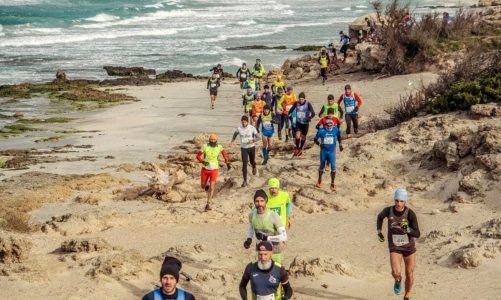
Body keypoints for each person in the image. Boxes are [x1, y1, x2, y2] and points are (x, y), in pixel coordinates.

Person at [377, 188, 421, 300]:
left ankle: (407, 294)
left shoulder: (410, 214)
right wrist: (379, 231)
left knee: (409, 273)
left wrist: (407, 229)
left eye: (401, 201)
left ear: (405, 201)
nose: (398, 203)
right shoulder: (388, 210)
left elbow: (417, 234)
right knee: (396, 272)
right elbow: (380, 217)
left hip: (408, 247)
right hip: (395, 246)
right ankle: (398, 280)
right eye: (396, 200)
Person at [243, 189, 287, 264]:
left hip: (274, 253)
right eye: (257, 201)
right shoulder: (252, 215)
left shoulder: (274, 216)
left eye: (262, 201)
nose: (259, 204)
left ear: (266, 201)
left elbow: (284, 237)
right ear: (254, 202)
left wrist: (267, 238)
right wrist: (249, 239)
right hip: (261, 254)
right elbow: (251, 228)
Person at [196, 134, 230, 211]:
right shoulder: (205, 146)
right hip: (205, 169)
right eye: (211, 140)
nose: (213, 141)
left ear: (216, 140)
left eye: (214, 140)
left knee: (212, 187)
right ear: (209, 140)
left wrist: (227, 162)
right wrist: (203, 162)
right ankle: (206, 185)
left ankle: (208, 203)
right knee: (203, 186)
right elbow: (198, 156)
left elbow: (224, 154)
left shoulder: (219, 147)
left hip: (214, 169)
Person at [313, 119, 343, 191]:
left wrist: (340, 145)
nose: (329, 127)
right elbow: (315, 139)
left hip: (331, 152)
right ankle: (319, 180)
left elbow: (339, 136)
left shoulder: (336, 129)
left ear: (333, 125)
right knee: (322, 165)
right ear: (325, 125)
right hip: (324, 151)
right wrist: (320, 144)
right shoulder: (321, 131)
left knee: (333, 167)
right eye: (328, 125)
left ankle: (332, 184)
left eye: (331, 125)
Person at [231, 115, 258, 187]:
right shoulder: (239, 129)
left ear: (247, 122)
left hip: (251, 147)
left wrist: (253, 141)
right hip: (244, 149)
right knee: (244, 164)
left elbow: (258, 137)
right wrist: (232, 140)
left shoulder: (252, 128)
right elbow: (235, 133)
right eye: (242, 122)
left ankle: (254, 166)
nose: (243, 123)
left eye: (245, 122)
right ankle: (245, 181)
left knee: (252, 161)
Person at [288, 92, 315, 156]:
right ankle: (297, 148)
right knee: (297, 136)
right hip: (298, 122)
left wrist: (310, 117)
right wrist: (289, 115)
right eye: (300, 99)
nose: (301, 100)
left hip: (305, 123)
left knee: (303, 137)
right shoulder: (296, 103)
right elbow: (291, 110)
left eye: (302, 99)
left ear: (304, 99)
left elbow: (313, 113)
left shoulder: (308, 104)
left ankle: (301, 148)